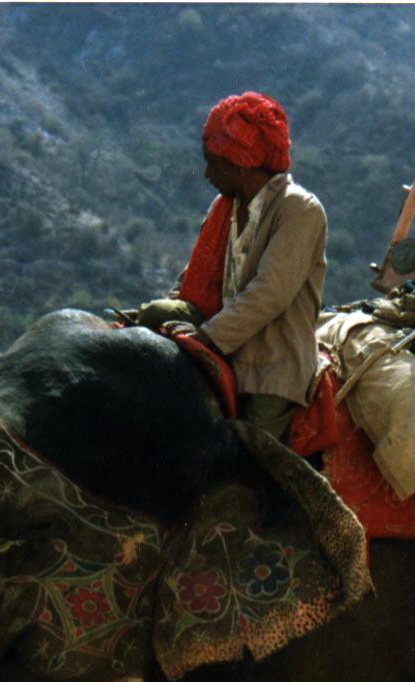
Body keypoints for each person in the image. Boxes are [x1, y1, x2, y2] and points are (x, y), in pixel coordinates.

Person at [135, 91, 327, 443]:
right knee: (151, 322)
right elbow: (195, 276)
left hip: (271, 361)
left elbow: (269, 293)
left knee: (247, 454)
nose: (207, 173)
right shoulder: (226, 205)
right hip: (217, 325)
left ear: (239, 164)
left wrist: (208, 337)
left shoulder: (300, 210)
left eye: (213, 162)